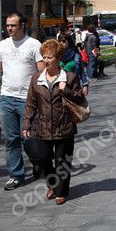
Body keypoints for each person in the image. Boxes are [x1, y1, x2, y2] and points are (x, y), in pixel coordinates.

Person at [21, 39, 88, 205]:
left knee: (62, 161)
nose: (46, 60)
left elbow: (80, 97)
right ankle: (52, 184)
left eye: (49, 57)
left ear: (58, 58)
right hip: (42, 126)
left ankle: (61, 192)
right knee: (43, 157)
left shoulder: (70, 77)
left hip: (64, 126)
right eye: (44, 57)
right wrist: (26, 124)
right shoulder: (36, 78)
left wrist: (66, 90)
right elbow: (31, 103)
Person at [0, 12, 44, 191]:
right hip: (6, 98)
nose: (9, 28)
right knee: (11, 140)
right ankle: (16, 175)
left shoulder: (34, 45)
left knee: (28, 139)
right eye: (7, 25)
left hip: (27, 100)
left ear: (22, 25)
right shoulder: (2, 45)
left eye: (13, 25)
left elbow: (41, 73)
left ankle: (37, 161)